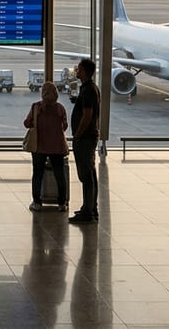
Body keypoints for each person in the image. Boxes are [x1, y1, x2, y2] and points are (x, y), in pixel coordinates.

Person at [23, 81, 69, 213]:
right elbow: (65, 126)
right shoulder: (60, 108)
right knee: (59, 175)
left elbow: (27, 123)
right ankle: (62, 203)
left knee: (37, 174)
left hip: (40, 146)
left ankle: (37, 202)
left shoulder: (36, 107)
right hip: (57, 146)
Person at [69, 58, 101, 225]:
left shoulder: (88, 90)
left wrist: (78, 134)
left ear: (85, 71)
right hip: (89, 136)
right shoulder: (91, 88)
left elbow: (87, 115)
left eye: (79, 69)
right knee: (90, 173)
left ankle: (88, 211)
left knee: (86, 175)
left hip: (85, 138)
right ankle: (90, 207)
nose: (77, 71)